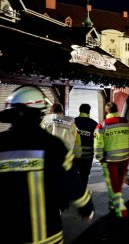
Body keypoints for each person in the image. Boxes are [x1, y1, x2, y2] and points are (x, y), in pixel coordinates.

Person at [0, 85, 94, 243]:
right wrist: (85, 205)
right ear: (40, 113)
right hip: (47, 235)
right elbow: (71, 182)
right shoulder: (52, 145)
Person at [94, 102, 129, 219]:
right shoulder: (126, 123)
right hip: (124, 158)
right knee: (118, 183)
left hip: (110, 160)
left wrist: (99, 157)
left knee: (113, 184)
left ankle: (120, 208)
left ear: (107, 111)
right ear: (117, 109)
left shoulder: (102, 125)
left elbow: (98, 143)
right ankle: (113, 204)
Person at [41, 102, 82, 170]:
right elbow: (77, 141)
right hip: (67, 156)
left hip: (50, 156)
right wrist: (78, 155)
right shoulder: (71, 123)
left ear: (51, 111)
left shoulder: (45, 122)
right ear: (62, 111)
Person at [74, 103, 98, 190]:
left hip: (75, 155)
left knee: (74, 175)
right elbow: (97, 140)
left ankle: (75, 193)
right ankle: (82, 193)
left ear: (79, 111)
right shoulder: (94, 124)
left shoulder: (73, 122)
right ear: (89, 111)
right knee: (84, 175)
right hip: (88, 156)